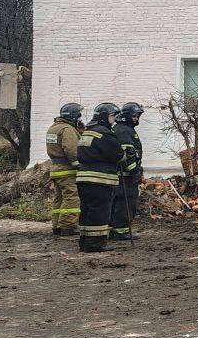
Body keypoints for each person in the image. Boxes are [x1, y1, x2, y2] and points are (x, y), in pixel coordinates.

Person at [75, 103, 124, 253]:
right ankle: (96, 244)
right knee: (100, 211)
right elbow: (117, 154)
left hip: (83, 179)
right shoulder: (105, 133)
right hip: (100, 180)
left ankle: (84, 241)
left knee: (86, 209)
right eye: (112, 116)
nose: (114, 120)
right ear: (104, 117)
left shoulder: (88, 132)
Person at [45, 102, 84, 237]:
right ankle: (68, 226)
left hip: (55, 168)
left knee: (59, 198)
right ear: (73, 116)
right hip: (67, 170)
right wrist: (78, 164)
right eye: (78, 115)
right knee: (72, 197)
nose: (80, 118)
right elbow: (71, 149)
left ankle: (56, 226)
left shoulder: (53, 128)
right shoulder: (67, 129)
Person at [109, 102, 144, 243]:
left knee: (118, 203)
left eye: (137, 116)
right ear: (127, 116)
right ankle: (121, 231)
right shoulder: (124, 131)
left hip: (122, 175)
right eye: (134, 116)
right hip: (125, 176)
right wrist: (135, 172)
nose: (136, 119)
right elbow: (128, 154)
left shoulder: (123, 129)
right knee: (126, 203)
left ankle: (114, 230)